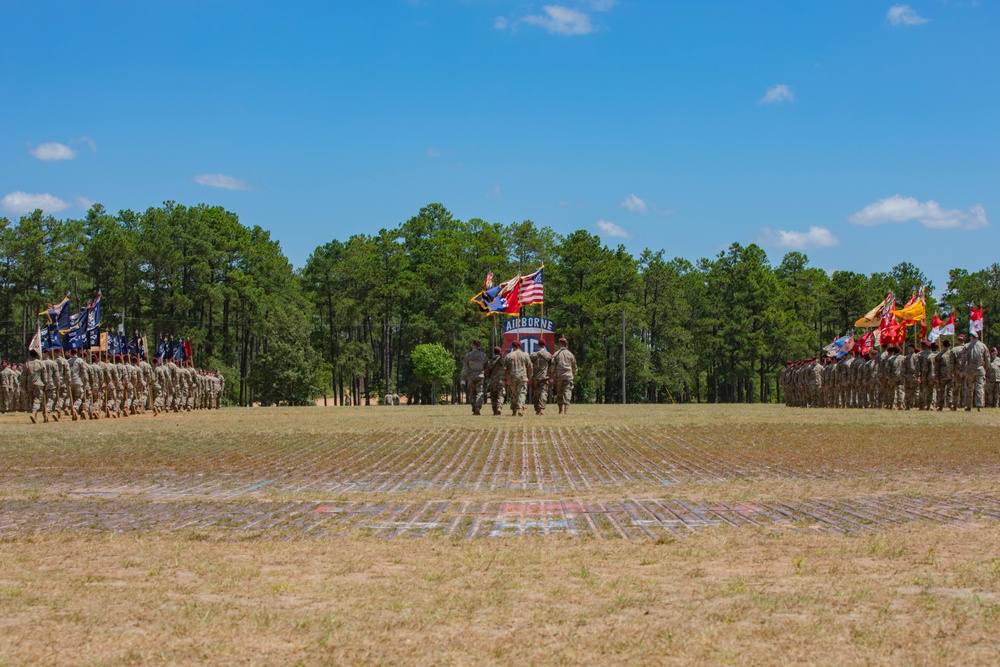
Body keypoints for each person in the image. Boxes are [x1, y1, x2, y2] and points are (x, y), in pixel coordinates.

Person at [460, 339, 488, 416]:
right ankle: (478, 406)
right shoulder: (483, 355)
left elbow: (465, 368)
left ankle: (474, 408)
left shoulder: (468, 355)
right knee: (480, 392)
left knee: (472, 393)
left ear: (473, 345)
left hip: (471, 377)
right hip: (480, 376)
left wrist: (463, 377)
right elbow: (486, 367)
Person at [504, 340, 531, 417]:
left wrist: (504, 377)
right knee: (521, 393)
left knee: (513, 395)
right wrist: (529, 375)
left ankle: (514, 411)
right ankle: (520, 408)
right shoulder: (525, 355)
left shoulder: (508, 356)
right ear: (520, 346)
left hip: (512, 378)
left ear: (513, 347)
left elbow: (505, 368)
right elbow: (529, 366)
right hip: (522, 377)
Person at [551, 337, 578, 415]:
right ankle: (566, 411)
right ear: (566, 344)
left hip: (559, 376)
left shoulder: (556, 354)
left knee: (559, 393)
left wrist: (552, 373)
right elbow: (574, 365)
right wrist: (574, 372)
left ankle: (560, 410)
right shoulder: (570, 354)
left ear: (560, 344)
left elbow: (552, 366)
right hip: (568, 376)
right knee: (567, 392)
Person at [20, 350, 48, 424]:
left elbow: (23, 376)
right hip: (38, 383)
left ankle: (35, 417)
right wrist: (46, 383)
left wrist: (24, 385)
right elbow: (44, 375)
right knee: (38, 399)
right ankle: (34, 412)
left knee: (32, 400)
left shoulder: (27, 364)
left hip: (30, 384)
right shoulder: (41, 363)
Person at [965, 331, 989, 412]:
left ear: (971, 336)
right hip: (980, 368)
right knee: (979, 387)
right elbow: (987, 359)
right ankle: (979, 406)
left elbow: (963, 358)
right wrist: (985, 368)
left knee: (969, 387)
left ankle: (968, 406)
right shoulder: (983, 346)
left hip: (970, 369)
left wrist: (964, 368)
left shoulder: (967, 346)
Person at [530, 340, 553, 415]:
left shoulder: (533, 355)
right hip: (544, 377)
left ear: (538, 345)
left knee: (536, 393)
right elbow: (551, 365)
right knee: (543, 393)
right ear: (544, 345)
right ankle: (541, 408)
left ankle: (537, 409)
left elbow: (529, 365)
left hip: (535, 377)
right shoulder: (548, 355)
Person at [485, 345, 506, 415]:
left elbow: (487, 371)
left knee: (493, 395)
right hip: (501, 380)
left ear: (494, 352)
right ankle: (499, 407)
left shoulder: (490, 361)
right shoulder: (502, 360)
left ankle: (494, 409)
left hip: (493, 380)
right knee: (501, 395)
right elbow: (506, 369)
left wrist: (488, 377)